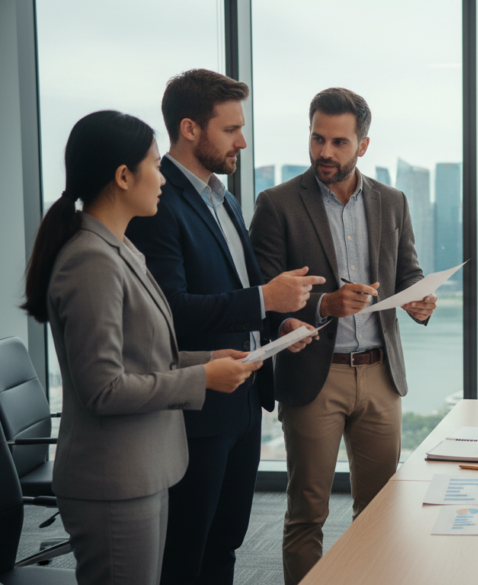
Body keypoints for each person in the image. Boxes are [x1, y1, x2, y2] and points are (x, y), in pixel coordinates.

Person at [21, 110, 261, 585]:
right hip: (113, 479)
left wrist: (207, 359)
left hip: (143, 470)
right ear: (123, 176)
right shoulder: (90, 260)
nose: (163, 180)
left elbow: (143, 353)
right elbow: (104, 389)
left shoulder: (120, 249)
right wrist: (202, 379)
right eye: (155, 166)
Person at [125, 69, 323, 585]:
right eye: (230, 129)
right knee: (187, 550)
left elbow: (241, 294)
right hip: (197, 410)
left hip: (243, 402)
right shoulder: (158, 203)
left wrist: (283, 321)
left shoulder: (224, 197)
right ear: (189, 129)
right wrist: (264, 297)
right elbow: (168, 310)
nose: (243, 140)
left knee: (226, 542)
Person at [249, 87, 437, 585]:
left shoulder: (392, 202)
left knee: (379, 512)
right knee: (307, 512)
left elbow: (408, 273)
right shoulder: (277, 204)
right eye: (317, 138)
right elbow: (262, 297)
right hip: (315, 377)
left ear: (363, 145)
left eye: (338, 142)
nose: (324, 152)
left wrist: (420, 301)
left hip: (380, 375)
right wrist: (322, 305)